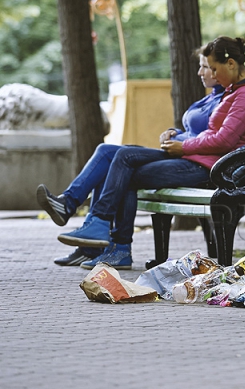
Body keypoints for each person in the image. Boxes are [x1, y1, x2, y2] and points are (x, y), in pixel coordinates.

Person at [53, 36, 245, 270]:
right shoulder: (237, 92)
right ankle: (103, 230)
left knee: (124, 167)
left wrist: (184, 145)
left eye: (213, 68)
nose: (211, 74)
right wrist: (179, 137)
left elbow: (225, 139)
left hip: (212, 168)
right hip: (200, 158)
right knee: (121, 157)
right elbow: (213, 134)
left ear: (231, 64)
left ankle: (113, 241)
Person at [38, 49, 225, 267]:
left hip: (194, 161)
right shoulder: (212, 97)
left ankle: (110, 243)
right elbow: (200, 132)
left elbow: (216, 138)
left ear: (223, 67)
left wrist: (183, 143)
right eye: (203, 66)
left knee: (122, 162)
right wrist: (175, 133)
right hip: (182, 151)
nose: (201, 72)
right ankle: (73, 212)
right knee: (106, 150)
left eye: (206, 67)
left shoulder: (227, 99)